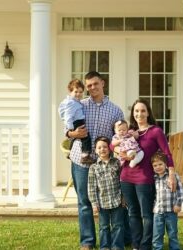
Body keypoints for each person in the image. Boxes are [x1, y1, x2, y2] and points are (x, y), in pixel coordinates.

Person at [63, 71, 124, 250]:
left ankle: (115, 240)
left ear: (102, 83)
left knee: (112, 201)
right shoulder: (78, 105)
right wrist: (73, 133)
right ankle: (87, 241)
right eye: (88, 85)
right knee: (84, 201)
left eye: (95, 84)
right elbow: (66, 129)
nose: (92, 88)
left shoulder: (115, 110)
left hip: (105, 164)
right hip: (80, 161)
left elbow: (119, 136)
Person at [113, 99, 176, 250]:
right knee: (133, 213)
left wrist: (172, 175)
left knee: (147, 214)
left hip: (144, 178)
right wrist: (119, 152)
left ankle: (145, 245)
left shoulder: (155, 131)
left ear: (148, 113)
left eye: (142, 111)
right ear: (133, 114)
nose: (139, 114)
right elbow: (112, 145)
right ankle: (136, 245)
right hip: (126, 177)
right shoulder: (128, 132)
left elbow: (167, 153)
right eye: (136, 111)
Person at [88, 136, 124, 250]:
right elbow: (91, 187)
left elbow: (122, 181)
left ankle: (117, 246)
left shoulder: (116, 163)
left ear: (110, 148)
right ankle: (105, 246)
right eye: (99, 147)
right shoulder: (93, 167)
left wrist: (124, 197)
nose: (102, 149)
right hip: (102, 202)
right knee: (103, 226)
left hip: (117, 200)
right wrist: (94, 203)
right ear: (95, 150)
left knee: (118, 225)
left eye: (104, 146)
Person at [151, 151, 183, 250]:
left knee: (172, 233)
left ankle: (174, 248)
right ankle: (157, 248)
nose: (158, 167)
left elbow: (180, 191)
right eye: (155, 165)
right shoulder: (154, 178)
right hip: (158, 212)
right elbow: (153, 194)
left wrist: (178, 204)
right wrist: (153, 207)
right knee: (157, 234)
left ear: (166, 164)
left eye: (160, 164)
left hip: (171, 211)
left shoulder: (173, 176)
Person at [58, 79, 93, 164]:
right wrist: (70, 128)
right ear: (70, 92)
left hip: (77, 121)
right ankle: (85, 156)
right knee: (86, 137)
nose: (78, 94)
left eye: (81, 92)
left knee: (76, 138)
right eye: (76, 92)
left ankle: (70, 152)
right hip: (77, 122)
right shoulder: (71, 103)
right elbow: (68, 116)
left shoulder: (75, 102)